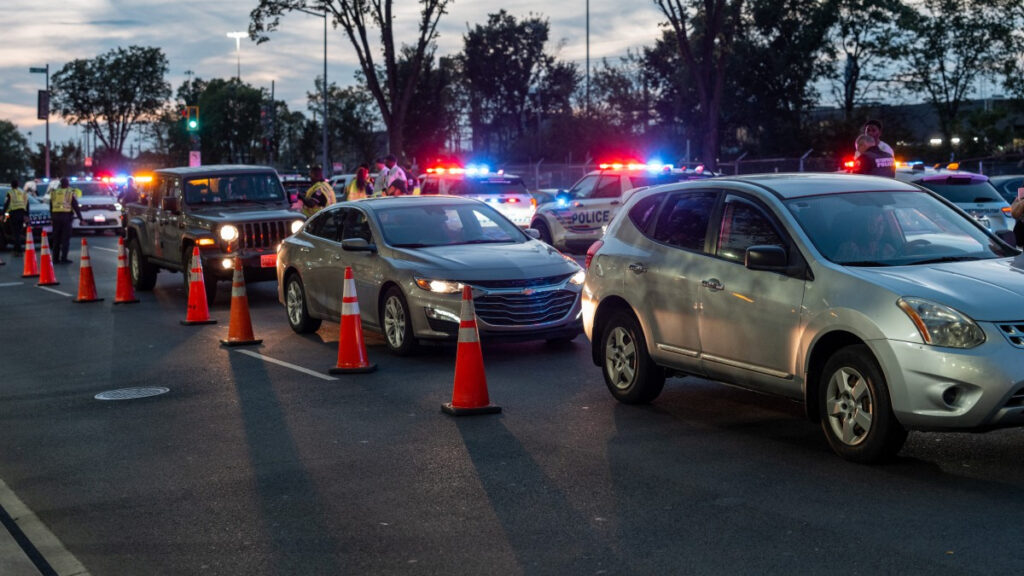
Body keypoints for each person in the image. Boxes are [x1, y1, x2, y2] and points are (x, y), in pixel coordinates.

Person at [50, 177, 84, 264]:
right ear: (67, 184)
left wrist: (51, 217)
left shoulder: (54, 193)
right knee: (65, 239)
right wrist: (81, 219)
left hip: (55, 217)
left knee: (56, 238)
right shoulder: (69, 193)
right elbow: (75, 206)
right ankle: (64, 258)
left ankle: (55, 259)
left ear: (60, 184)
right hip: (66, 217)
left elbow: (51, 206)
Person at [4, 179, 29, 256]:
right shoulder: (22, 193)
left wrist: (5, 216)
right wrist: (26, 215)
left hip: (13, 215)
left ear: (11, 185)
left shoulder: (10, 193)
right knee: (18, 233)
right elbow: (27, 204)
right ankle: (16, 250)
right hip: (21, 215)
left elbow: (7, 206)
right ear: (18, 185)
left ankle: (19, 251)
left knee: (15, 234)